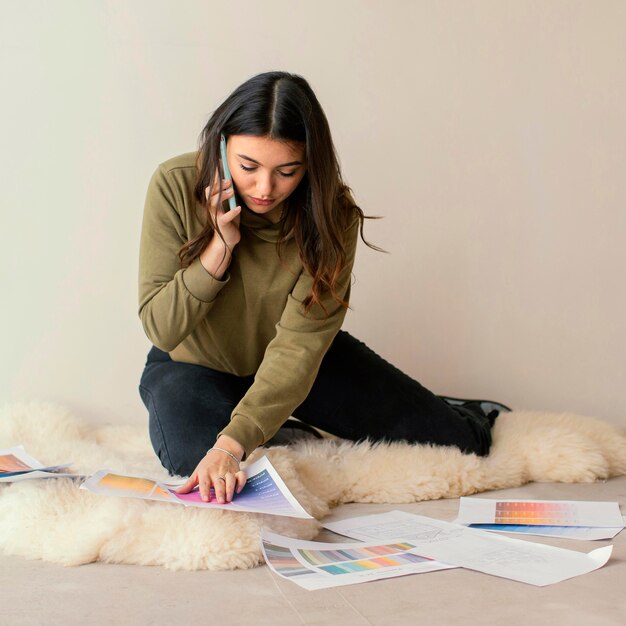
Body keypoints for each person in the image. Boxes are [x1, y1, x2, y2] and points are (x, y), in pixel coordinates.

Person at [138, 71, 509, 506]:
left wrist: (233, 441)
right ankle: (274, 424)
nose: (264, 188)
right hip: (192, 363)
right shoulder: (174, 183)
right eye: (248, 166)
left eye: (287, 171)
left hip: (301, 360)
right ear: (220, 146)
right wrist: (218, 251)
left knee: (461, 443)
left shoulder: (334, 215)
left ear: (310, 164)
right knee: (198, 461)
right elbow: (162, 327)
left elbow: (298, 348)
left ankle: (451, 410)